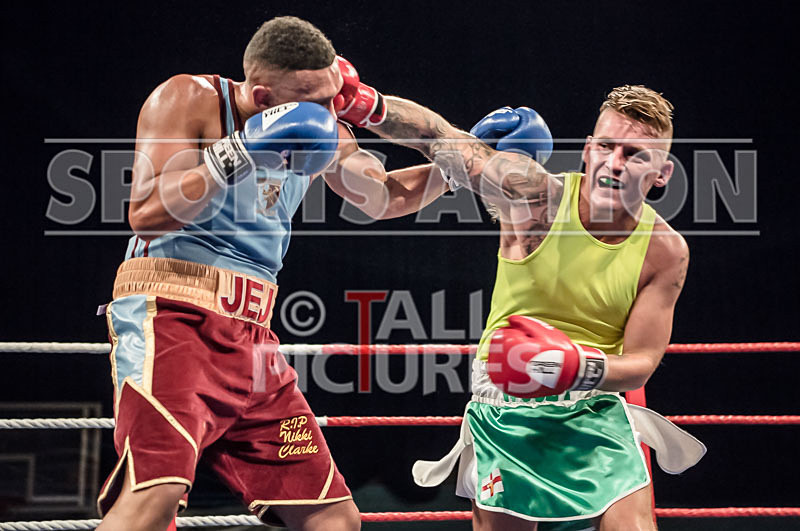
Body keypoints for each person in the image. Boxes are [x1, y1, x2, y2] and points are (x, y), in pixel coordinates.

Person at [95, 16, 454, 531]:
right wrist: (237, 153)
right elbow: (146, 212)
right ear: (264, 98)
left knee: (333, 518)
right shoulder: (189, 98)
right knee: (156, 494)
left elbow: (381, 196)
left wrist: (454, 169)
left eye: (336, 95)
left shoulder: (325, 128)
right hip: (172, 317)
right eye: (319, 102)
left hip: (254, 338)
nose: (333, 112)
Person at [354, 87, 706, 530]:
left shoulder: (665, 251)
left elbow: (641, 363)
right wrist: (364, 103)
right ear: (586, 150)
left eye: (635, 154)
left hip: (594, 409)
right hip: (507, 406)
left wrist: (576, 366)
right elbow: (439, 137)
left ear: (662, 173)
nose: (614, 164)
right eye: (604, 146)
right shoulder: (534, 199)